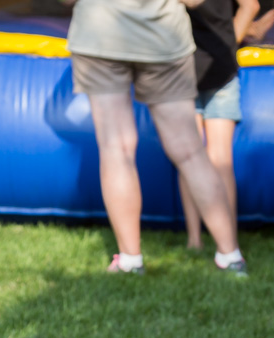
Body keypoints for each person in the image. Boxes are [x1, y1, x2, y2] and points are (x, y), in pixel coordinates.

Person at [63, 0, 247, 276]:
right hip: (163, 39)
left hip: (101, 37)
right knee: (190, 151)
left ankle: (130, 260)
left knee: (116, 148)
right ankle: (230, 255)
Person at [178, 0, 258, 250]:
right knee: (220, 159)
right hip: (217, 69)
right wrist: (229, 43)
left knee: (190, 158)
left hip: (184, 70)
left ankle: (195, 239)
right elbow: (251, 6)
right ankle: (228, 240)